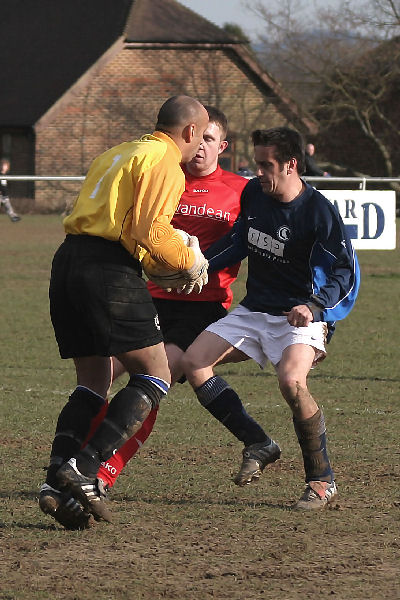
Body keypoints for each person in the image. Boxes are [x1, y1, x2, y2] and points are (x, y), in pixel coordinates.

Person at [39, 95, 210, 529]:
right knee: (156, 374)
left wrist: (156, 260)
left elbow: (132, 228)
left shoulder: (118, 152)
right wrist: (187, 260)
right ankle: (84, 466)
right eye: (202, 136)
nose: (200, 146)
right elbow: (148, 231)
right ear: (189, 132)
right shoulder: (165, 161)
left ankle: (54, 484)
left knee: (93, 381)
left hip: (68, 263)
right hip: (107, 270)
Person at [180, 126, 360, 510]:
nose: (257, 172)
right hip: (255, 309)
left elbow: (346, 274)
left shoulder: (318, 212)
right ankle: (258, 442)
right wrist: (201, 266)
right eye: (257, 163)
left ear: (291, 164)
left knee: (291, 382)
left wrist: (314, 307)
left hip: (301, 315)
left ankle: (321, 480)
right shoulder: (253, 195)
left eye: (266, 165)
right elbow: (239, 240)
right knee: (193, 363)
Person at [96, 106, 249, 491]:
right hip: (149, 299)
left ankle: (103, 471)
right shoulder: (166, 177)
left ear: (222, 146)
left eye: (209, 140)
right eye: (197, 138)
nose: (200, 147)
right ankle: (77, 455)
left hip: (203, 307)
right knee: (102, 373)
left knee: (155, 381)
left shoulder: (242, 191)